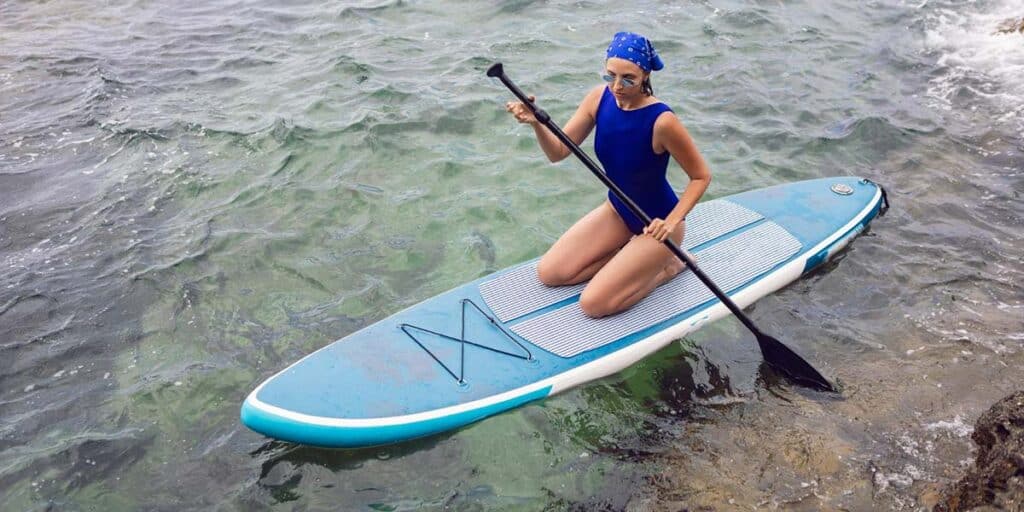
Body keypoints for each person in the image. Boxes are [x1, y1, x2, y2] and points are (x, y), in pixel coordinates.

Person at [504, 31, 711, 318]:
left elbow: (701, 176)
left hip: (658, 225)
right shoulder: (598, 99)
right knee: (550, 273)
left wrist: (671, 221)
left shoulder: (663, 121)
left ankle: (669, 267)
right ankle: (629, 259)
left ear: (645, 76)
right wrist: (535, 123)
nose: (617, 86)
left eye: (628, 79)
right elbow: (558, 153)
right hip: (618, 210)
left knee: (593, 304)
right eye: (610, 75)